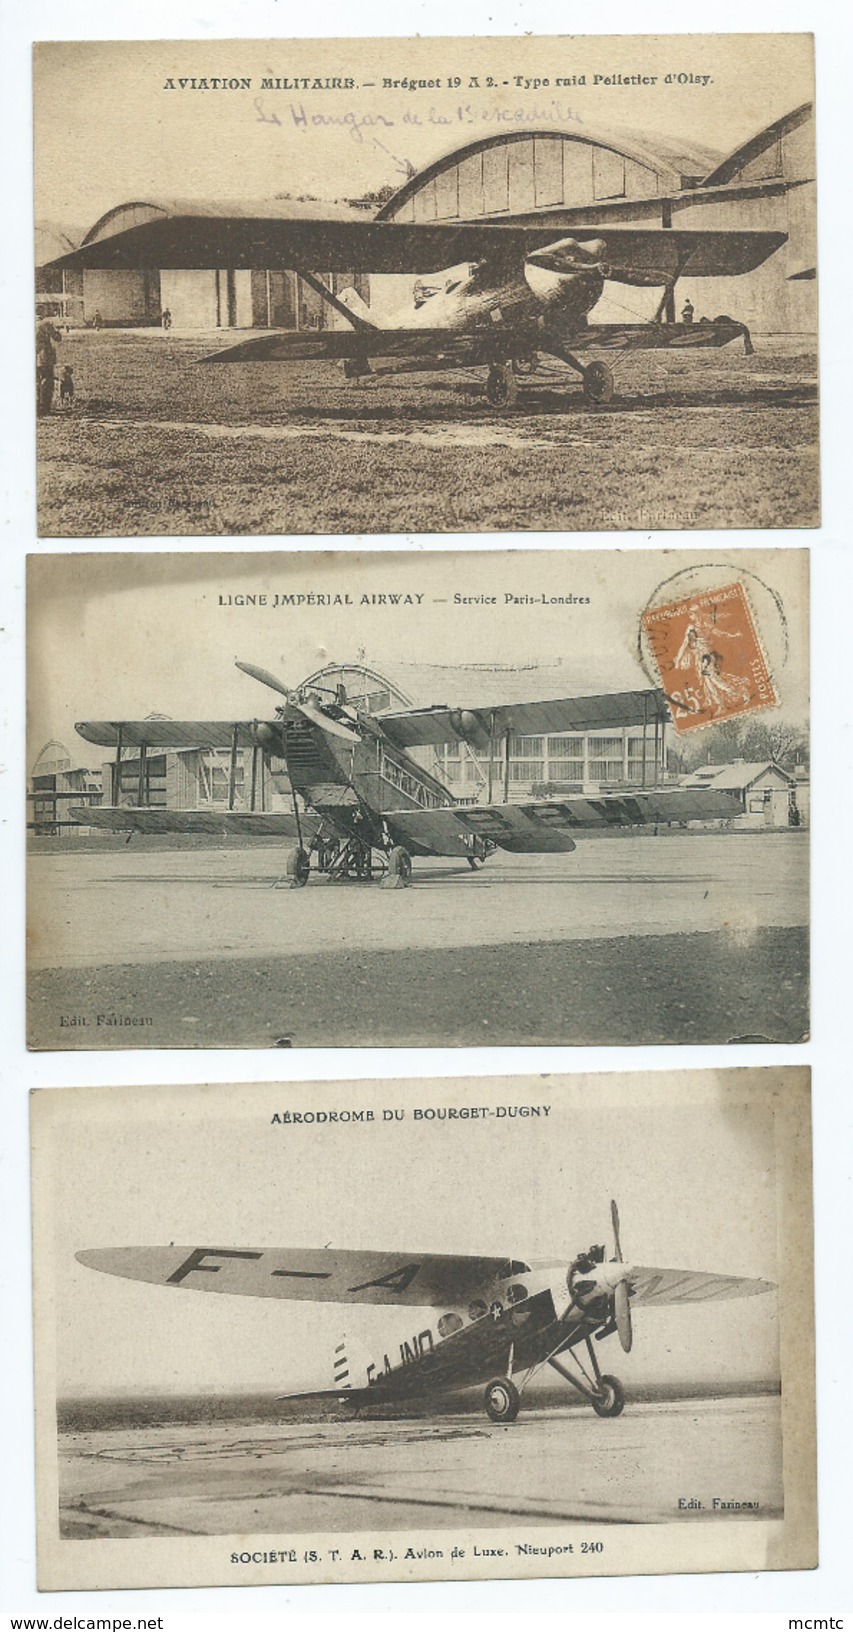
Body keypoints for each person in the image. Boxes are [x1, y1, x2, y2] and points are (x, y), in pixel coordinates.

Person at [35, 314, 62, 415]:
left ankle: (36, 406)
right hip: (44, 355)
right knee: (47, 379)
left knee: (36, 381)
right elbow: (57, 337)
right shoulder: (45, 323)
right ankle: (44, 406)